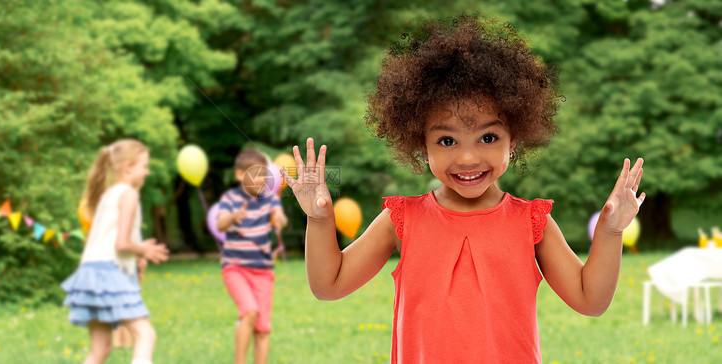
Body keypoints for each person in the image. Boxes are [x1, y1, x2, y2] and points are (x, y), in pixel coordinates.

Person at [280, 15, 646, 363]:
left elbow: (590, 300)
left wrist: (611, 231)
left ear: (513, 138)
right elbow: (329, 285)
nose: (469, 157)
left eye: (488, 137)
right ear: (421, 144)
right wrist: (319, 219)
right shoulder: (401, 219)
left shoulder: (532, 222)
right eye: (447, 141)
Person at [61, 139, 169, 364]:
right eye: (144, 166)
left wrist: (137, 256)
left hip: (89, 273)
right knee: (145, 334)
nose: (147, 172)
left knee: (100, 350)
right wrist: (144, 250)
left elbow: (109, 239)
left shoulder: (108, 194)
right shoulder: (129, 194)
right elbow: (121, 244)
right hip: (108, 271)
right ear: (129, 167)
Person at [216, 148, 287, 364]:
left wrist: (278, 217)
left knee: (263, 329)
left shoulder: (269, 199)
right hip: (235, 268)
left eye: (264, 174)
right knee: (249, 313)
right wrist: (233, 217)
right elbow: (220, 223)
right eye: (255, 174)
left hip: (263, 272)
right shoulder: (230, 198)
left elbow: (281, 220)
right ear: (240, 175)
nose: (261, 179)